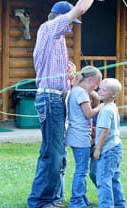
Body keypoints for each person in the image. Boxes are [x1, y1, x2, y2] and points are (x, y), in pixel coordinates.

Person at [28, 0, 110, 208]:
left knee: (58, 153)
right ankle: (39, 201)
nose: (72, 26)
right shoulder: (48, 30)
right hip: (50, 99)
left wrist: (70, 77)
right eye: (71, 22)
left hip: (57, 99)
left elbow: (57, 73)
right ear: (59, 18)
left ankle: (53, 198)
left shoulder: (58, 41)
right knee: (52, 153)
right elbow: (81, 8)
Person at [66, 66, 103, 208]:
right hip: (80, 137)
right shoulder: (81, 93)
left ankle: (83, 199)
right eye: (96, 84)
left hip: (77, 136)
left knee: (82, 169)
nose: (96, 88)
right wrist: (102, 106)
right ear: (89, 80)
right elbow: (89, 114)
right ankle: (76, 202)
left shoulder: (75, 91)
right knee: (81, 170)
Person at [93, 78, 126, 208]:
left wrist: (97, 149)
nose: (99, 91)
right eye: (100, 88)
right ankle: (119, 205)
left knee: (103, 181)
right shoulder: (112, 107)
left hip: (107, 150)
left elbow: (105, 132)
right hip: (116, 148)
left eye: (103, 90)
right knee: (114, 179)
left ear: (114, 94)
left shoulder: (106, 110)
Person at [54, 61, 77, 205]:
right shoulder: (63, 93)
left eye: (72, 73)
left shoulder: (72, 92)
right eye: (68, 73)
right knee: (59, 164)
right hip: (61, 131)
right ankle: (57, 196)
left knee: (62, 163)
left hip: (66, 131)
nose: (70, 76)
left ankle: (60, 195)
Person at [89, 90, 100, 187]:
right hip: (87, 146)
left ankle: (106, 194)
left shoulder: (97, 115)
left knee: (94, 173)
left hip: (96, 147)